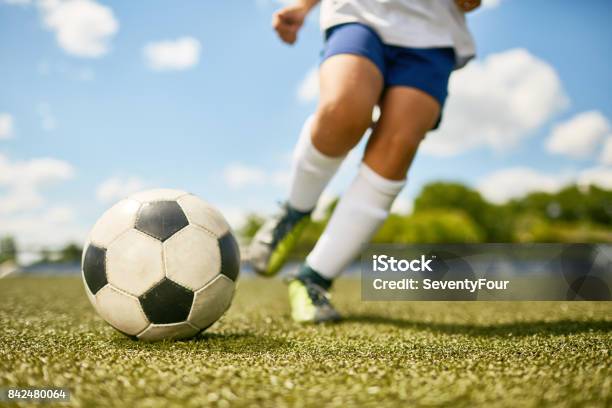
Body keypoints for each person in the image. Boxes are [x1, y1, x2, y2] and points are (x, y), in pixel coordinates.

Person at [249, 0, 480, 323]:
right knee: (343, 110)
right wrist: (303, 6)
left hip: (431, 30)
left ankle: (313, 278)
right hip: (358, 11)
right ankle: (294, 212)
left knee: (397, 147)